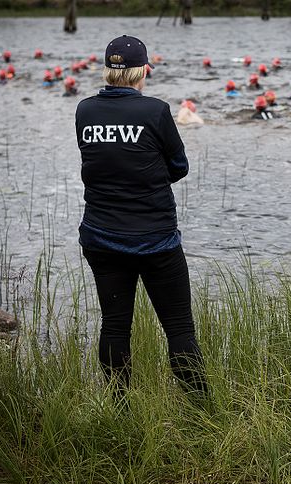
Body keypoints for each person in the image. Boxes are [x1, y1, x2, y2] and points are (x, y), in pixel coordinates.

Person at [74, 35, 207, 395]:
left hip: (101, 236)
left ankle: (120, 406)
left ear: (108, 70)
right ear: (141, 71)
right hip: (155, 239)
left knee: (115, 327)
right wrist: (147, 172)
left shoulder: (85, 110)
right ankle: (202, 408)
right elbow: (179, 166)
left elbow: (100, 161)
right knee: (179, 329)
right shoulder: (155, 111)